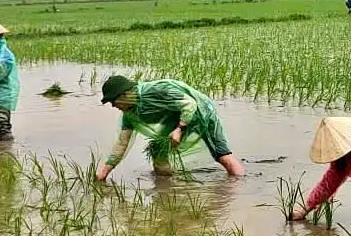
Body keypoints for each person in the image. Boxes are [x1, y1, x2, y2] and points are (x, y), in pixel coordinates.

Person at [95, 75, 244, 181]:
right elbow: (122, 143)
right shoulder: (130, 114)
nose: (113, 106)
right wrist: (105, 171)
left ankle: (238, 190)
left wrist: (179, 129)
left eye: (113, 101)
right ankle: (165, 187)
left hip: (200, 113)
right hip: (175, 120)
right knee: (158, 152)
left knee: (222, 156)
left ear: (124, 95)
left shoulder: (158, 90)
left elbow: (189, 104)